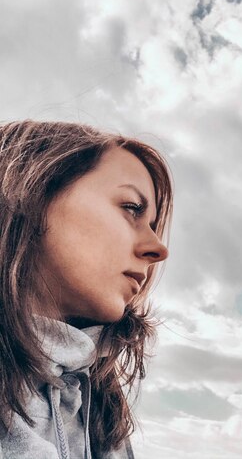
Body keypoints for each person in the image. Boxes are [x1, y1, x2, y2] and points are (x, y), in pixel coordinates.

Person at [0, 120, 173, 458]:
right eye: (131, 208)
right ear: (30, 193)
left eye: (153, 226)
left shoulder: (102, 414)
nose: (158, 248)